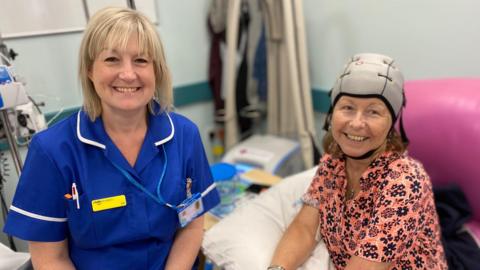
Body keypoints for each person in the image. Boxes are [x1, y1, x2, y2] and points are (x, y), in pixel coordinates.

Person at [3, 7, 220, 270]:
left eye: (141, 60)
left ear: (157, 71)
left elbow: (193, 223)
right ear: (90, 71)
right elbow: (50, 257)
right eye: (112, 60)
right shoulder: (52, 151)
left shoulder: (184, 136)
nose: (128, 74)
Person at [268, 53, 447, 270]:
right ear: (332, 114)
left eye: (373, 112)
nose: (356, 123)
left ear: (391, 123)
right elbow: (305, 228)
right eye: (348, 108)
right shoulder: (333, 164)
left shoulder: (405, 183)